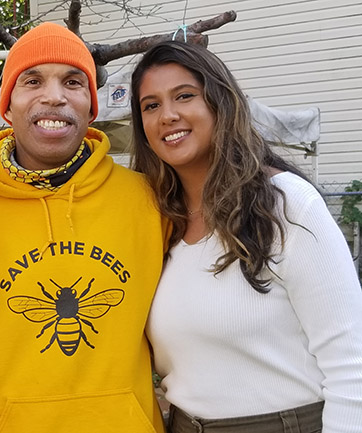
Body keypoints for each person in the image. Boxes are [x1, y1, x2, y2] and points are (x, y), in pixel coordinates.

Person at [0, 22, 167, 433]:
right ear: (8, 105)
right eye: (32, 81)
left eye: (73, 82)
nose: (54, 96)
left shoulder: (148, 201)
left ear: (91, 106)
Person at [130, 40, 362, 433]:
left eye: (184, 96)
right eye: (151, 105)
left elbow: (351, 363)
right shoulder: (158, 219)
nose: (167, 115)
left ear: (220, 103)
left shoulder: (286, 204)